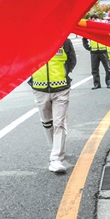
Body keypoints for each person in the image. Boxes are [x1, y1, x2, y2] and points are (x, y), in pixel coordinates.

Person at [31, 37, 77, 174]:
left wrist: (62, 75)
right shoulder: (30, 41)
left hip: (61, 88)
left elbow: (72, 61)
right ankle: (55, 147)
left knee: (59, 122)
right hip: (39, 89)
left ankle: (56, 158)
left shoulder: (64, 41)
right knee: (47, 122)